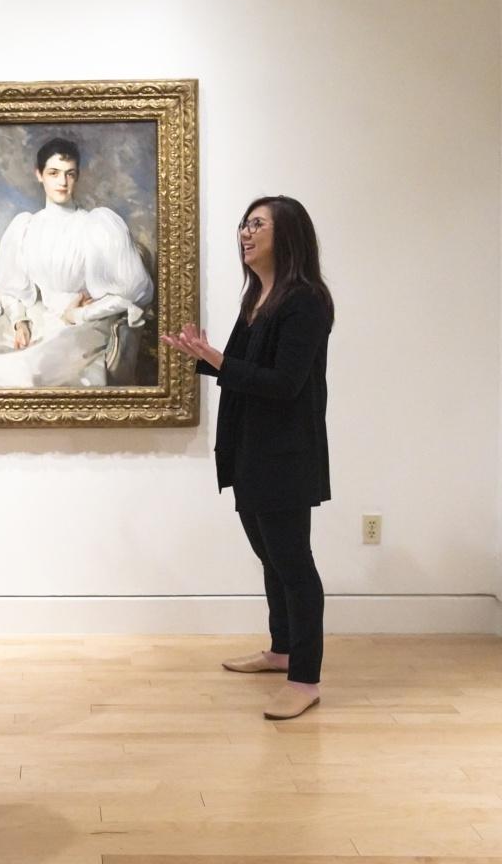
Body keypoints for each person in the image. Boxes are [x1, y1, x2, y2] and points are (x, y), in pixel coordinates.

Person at [162, 195, 334, 721]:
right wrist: (207, 358)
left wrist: (218, 360)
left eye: (257, 224)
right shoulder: (258, 296)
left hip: (286, 453)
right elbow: (244, 369)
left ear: (288, 236)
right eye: (244, 224)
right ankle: (282, 650)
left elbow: (285, 384)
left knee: (293, 565)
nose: (245, 233)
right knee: (271, 558)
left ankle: (305, 678)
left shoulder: (305, 301)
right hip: (251, 450)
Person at [0, 137, 154, 387]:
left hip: (87, 324)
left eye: (69, 174)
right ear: (39, 175)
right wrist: (19, 322)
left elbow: (132, 292)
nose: (62, 181)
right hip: (42, 318)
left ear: (77, 176)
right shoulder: (26, 227)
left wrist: (79, 313)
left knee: (32, 370)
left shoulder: (97, 225)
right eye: (54, 173)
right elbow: (11, 287)